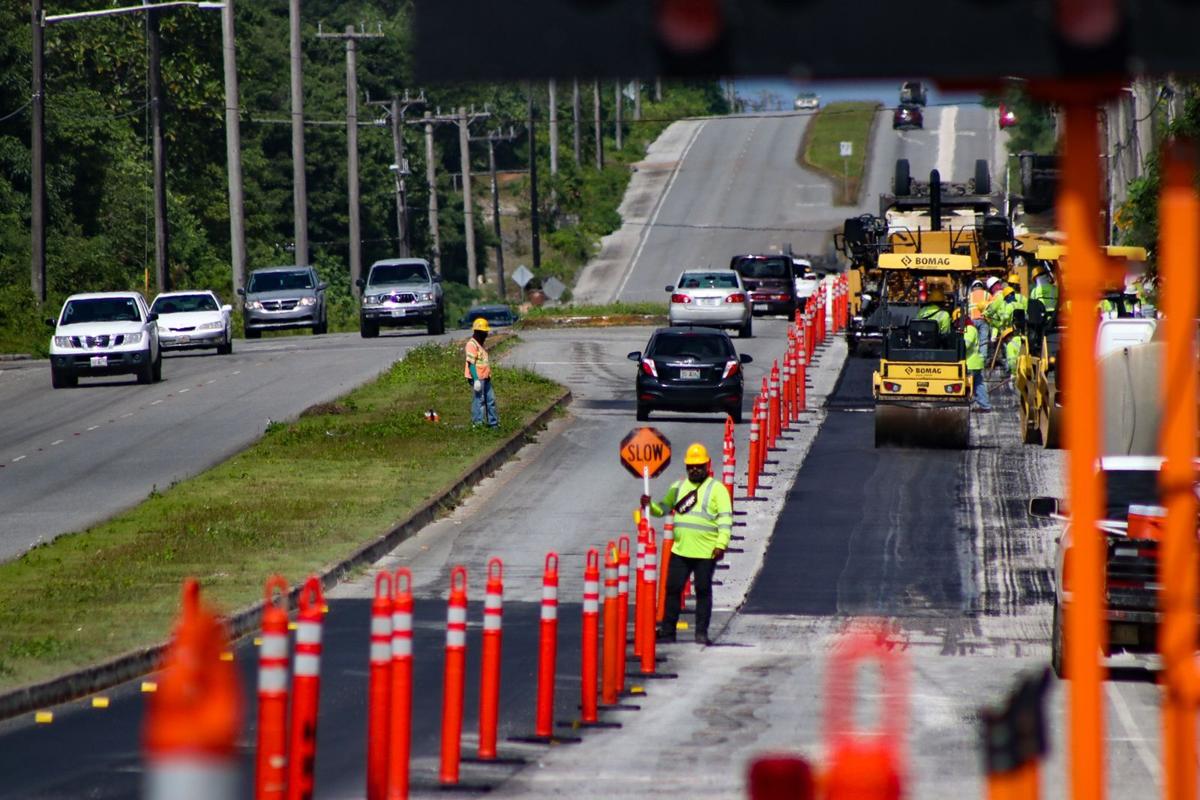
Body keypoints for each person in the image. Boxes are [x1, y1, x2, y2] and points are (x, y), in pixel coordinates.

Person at [642, 443, 732, 646]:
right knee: (672, 589)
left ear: (707, 465)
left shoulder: (717, 489)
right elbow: (664, 508)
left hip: (706, 552)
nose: (694, 469)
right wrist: (650, 506)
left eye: (698, 465)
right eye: (691, 466)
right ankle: (668, 631)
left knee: (702, 590)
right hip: (681, 550)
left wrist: (721, 544)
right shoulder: (678, 487)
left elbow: (725, 519)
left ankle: (701, 633)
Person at [464, 317, 499, 428]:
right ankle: (477, 425)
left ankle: (493, 424)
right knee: (479, 401)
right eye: (484, 332)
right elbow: (471, 363)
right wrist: (476, 380)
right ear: (478, 332)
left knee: (490, 399)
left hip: (485, 377)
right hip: (477, 378)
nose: (486, 335)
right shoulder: (472, 344)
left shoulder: (480, 344)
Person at [961, 316, 991, 412]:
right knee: (978, 384)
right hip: (975, 363)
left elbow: (966, 345)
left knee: (967, 384)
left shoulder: (969, 329)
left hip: (971, 363)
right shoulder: (970, 329)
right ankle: (985, 405)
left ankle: (964, 403)